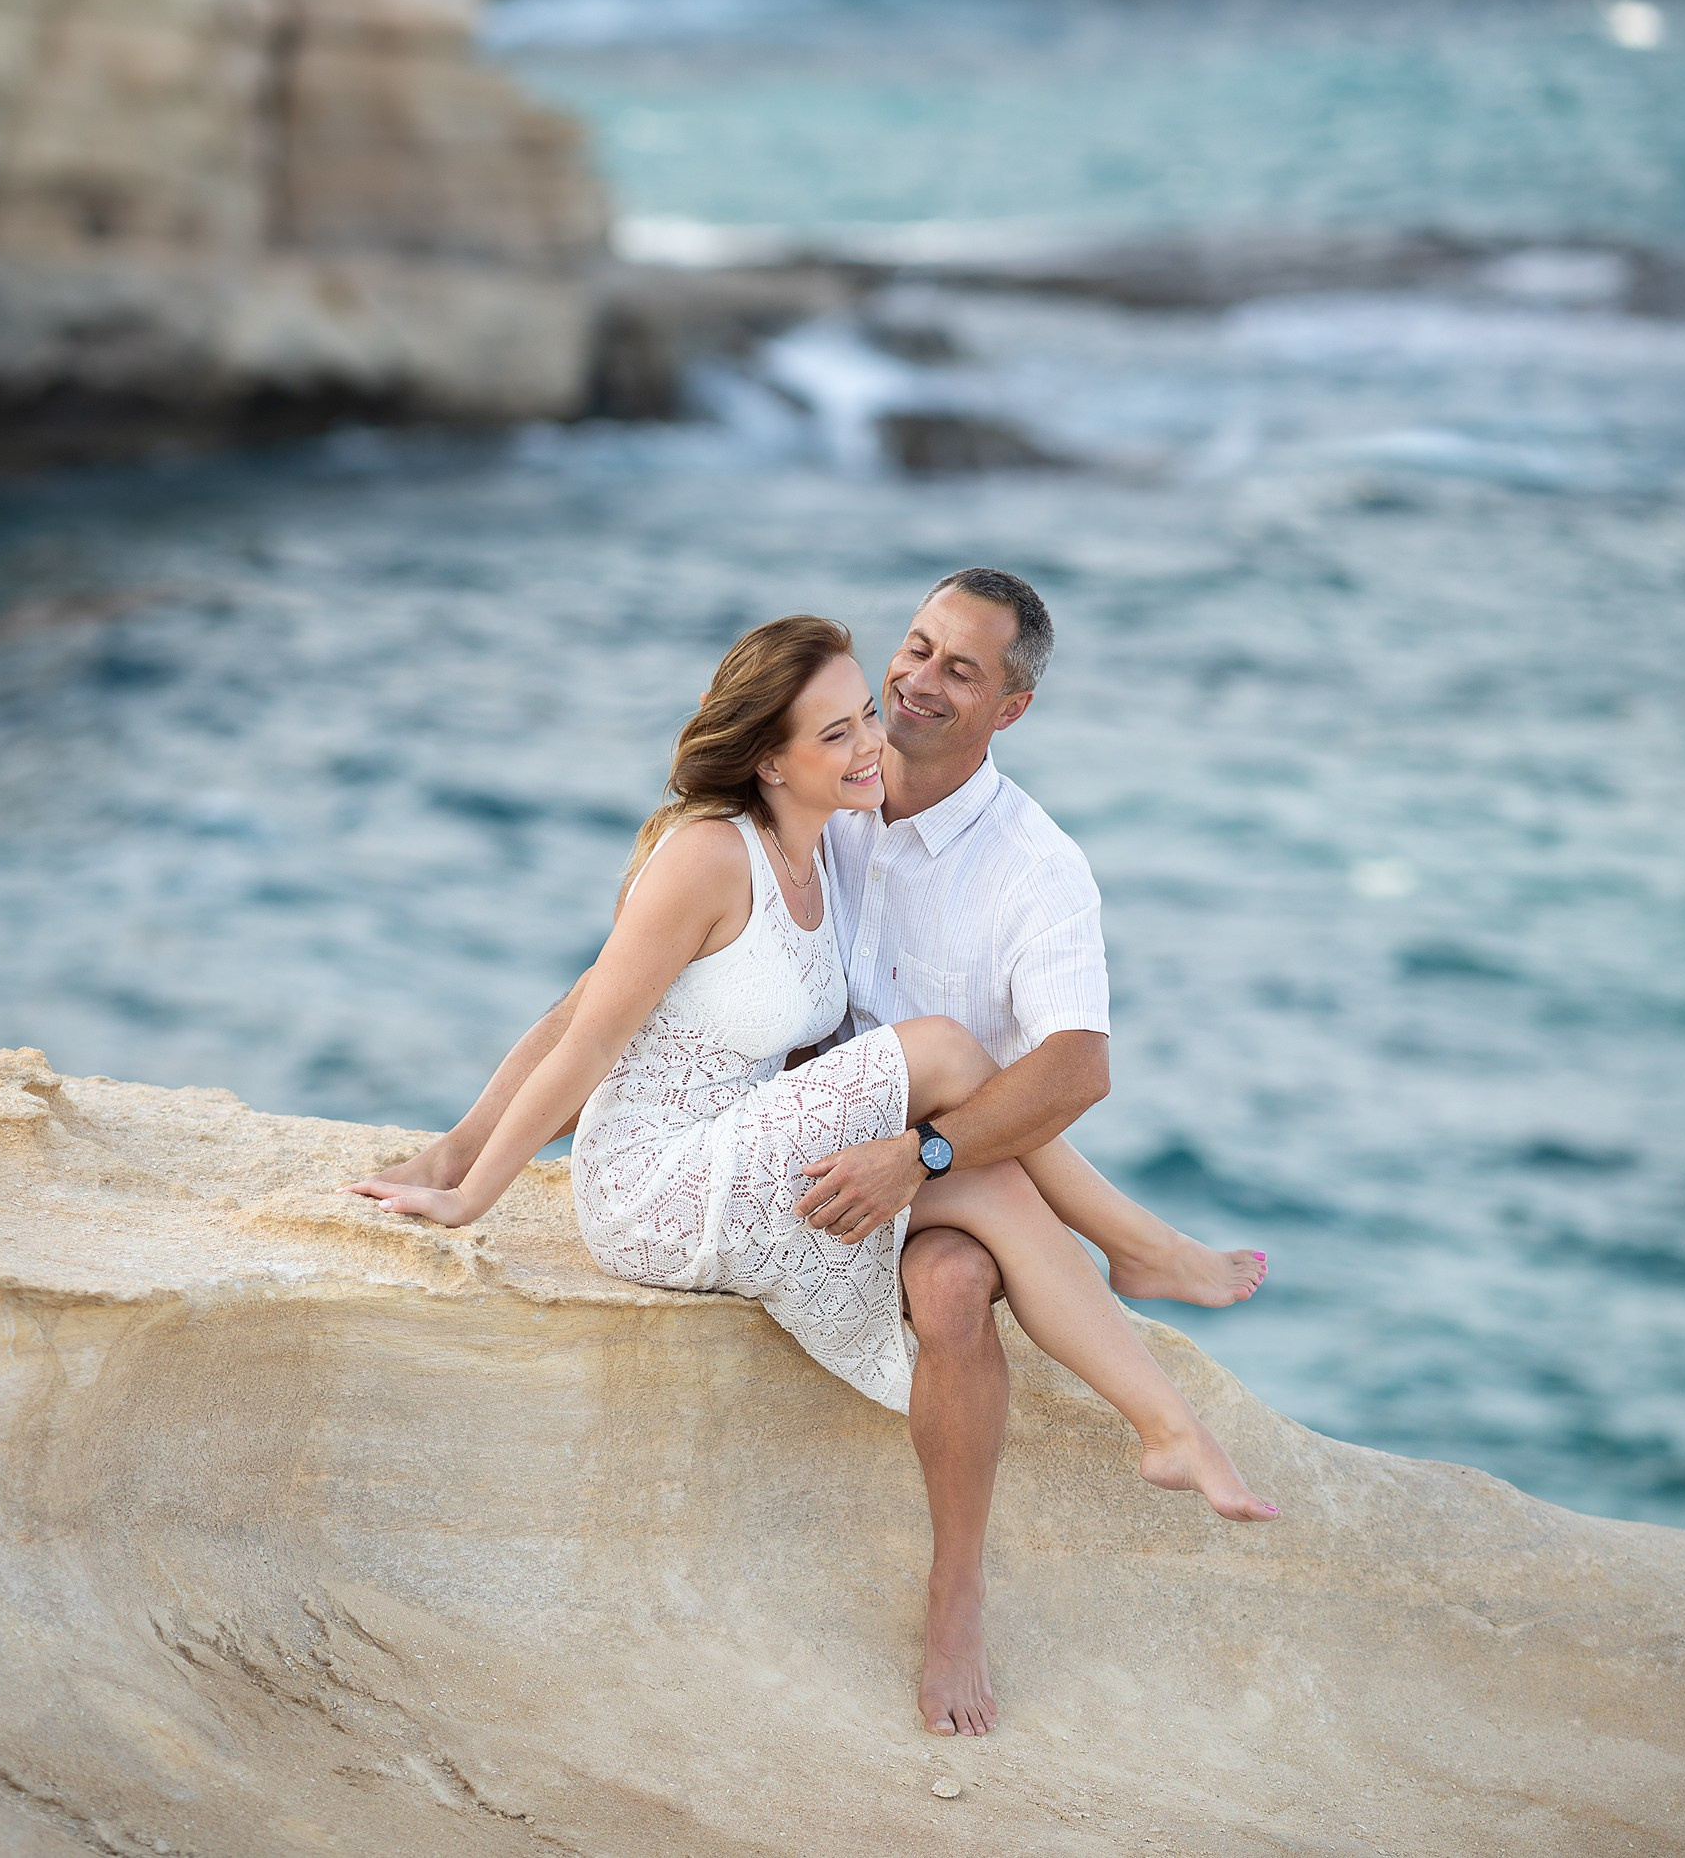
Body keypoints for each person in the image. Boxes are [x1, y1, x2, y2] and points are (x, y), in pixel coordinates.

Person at [346, 577, 1274, 1738]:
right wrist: (464, 1168)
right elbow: (592, 1011)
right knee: (937, 1053)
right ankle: (1140, 1260)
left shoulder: (1007, 860)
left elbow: (1075, 1071)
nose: (903, 700)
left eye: (957, 672)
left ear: (1012, 708)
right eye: (908, 657)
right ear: (782, 756)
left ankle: (1086, 1485)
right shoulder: (774, 834)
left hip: (878, 1151)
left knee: (958, 1221)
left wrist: (918, 1151)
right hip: (709, 1171)